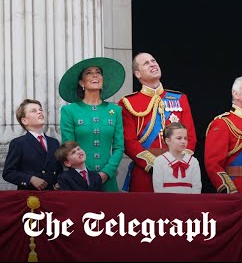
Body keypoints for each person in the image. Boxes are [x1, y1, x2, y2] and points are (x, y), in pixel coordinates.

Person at [119, 52, 197, 193]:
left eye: (153, 61)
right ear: (138, 74)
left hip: (178, 171)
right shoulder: (128, 103)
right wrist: (155, 165)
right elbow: (129, 141)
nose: (152, 64)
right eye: (146, 63)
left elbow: (190, 136)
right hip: (146, 172)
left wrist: (178, 161)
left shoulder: (179, 98)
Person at [59, 57, 125, 192]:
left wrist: (107, 172)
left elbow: (119, 147)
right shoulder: (69, 111)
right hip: (81, 180)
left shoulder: (115, 110)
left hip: (108, 179)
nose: (95, 75)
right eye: (89, 72)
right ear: (81, 82)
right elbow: (69, 147)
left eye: (98, 72)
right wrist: (88, 174)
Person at [3, 99, 63, 190]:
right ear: (24, 121)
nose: (39, 112)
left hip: (52, 195)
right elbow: (8, 173)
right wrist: (30, 179)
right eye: (33, 111)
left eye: (40, 109)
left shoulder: (54, 142)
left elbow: (59, 170)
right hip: (30, 198)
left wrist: (59, 182)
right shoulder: (19, 143)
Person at [152, 122, 201, 194]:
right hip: (167, 203)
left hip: (188, 203)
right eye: (179, 138)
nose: (183, 141)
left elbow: (197, 187)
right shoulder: (159, 161)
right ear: (168, 141)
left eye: (185, 138)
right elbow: (158, 188)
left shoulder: (193, 161)